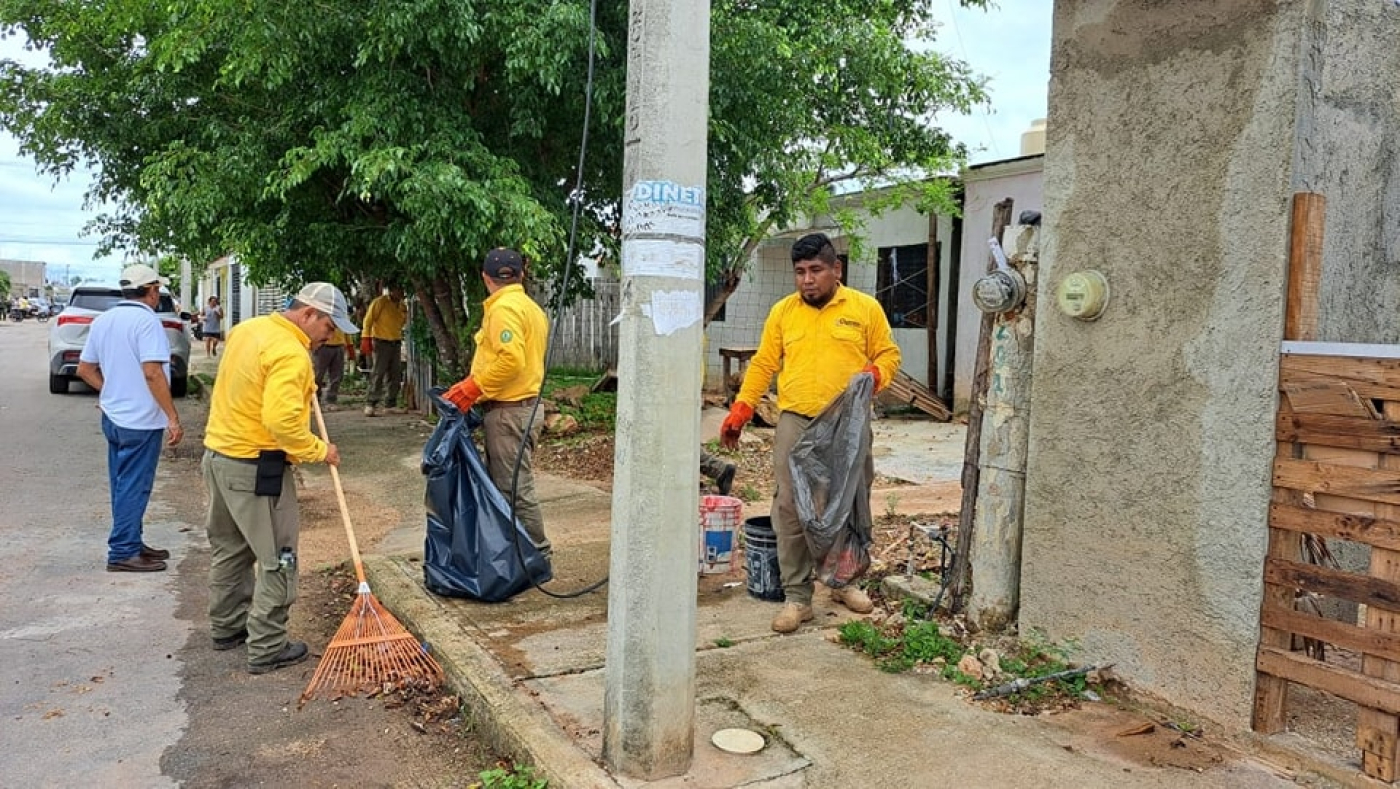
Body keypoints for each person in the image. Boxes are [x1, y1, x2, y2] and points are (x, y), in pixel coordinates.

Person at [720, 232, 901, 633]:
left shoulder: (864, 309)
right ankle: (798, 598)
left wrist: (877, 374)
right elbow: (765, 363)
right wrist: (742, 408)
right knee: (789, 506)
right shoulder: (783, 312)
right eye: (799, 272)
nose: (807, 279)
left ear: (836, 270)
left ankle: (843, 582)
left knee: (849, 500)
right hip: (796, 420)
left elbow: (888, 354)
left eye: (815, 270)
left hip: (848, 424)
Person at [202, 282, 356, 674]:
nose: (331, 335)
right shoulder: (290, 353)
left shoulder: (248, 331)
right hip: (259, 467)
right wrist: (320, 450)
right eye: (328, 326)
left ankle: (228, 627)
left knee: (230, 548)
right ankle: (268, 645)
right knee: (279, 557)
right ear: (308, 315)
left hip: (219, 458)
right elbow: (282, 420)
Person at [76, 264, 185, 572]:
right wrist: (172, 417)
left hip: (114, 417)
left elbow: (85, 369)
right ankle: (123, 550)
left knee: (122, 484)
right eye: (157, 290)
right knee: (134, 486)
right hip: (140, 420)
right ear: (151, 291)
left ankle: (131, 541)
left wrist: (110, 392)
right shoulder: (147, 322)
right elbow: (152, 372)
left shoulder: (104, 320)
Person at [444, 248, 551, 557]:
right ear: (521, 274)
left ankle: (536, 555)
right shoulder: (530, 308)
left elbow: (511, 361)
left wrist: (472, 387)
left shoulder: (504, 309)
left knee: (513, 489)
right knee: (511, 485)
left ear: (485, 278)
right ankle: (521, 555)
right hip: (522, 408)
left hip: (509, 411)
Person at [361, 284, 408, 416]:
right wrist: (366, 338)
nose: (401, 293)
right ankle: (371, 403)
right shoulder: (380, 302)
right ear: (392, 290)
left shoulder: (402, 306)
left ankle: (390, 403)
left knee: (395, 373)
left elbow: (402, 322)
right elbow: (368, 320)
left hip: (396, 341)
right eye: (399, 289)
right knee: (378, 372)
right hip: (381, 341)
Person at [313, 325, 351, 410]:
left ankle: (331, 400)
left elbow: (346, 328)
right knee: (318, 375)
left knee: (337, 376)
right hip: (322, 345)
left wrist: (350, 345)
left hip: (339, 345)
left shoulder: (342, 313)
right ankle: (315, 400)